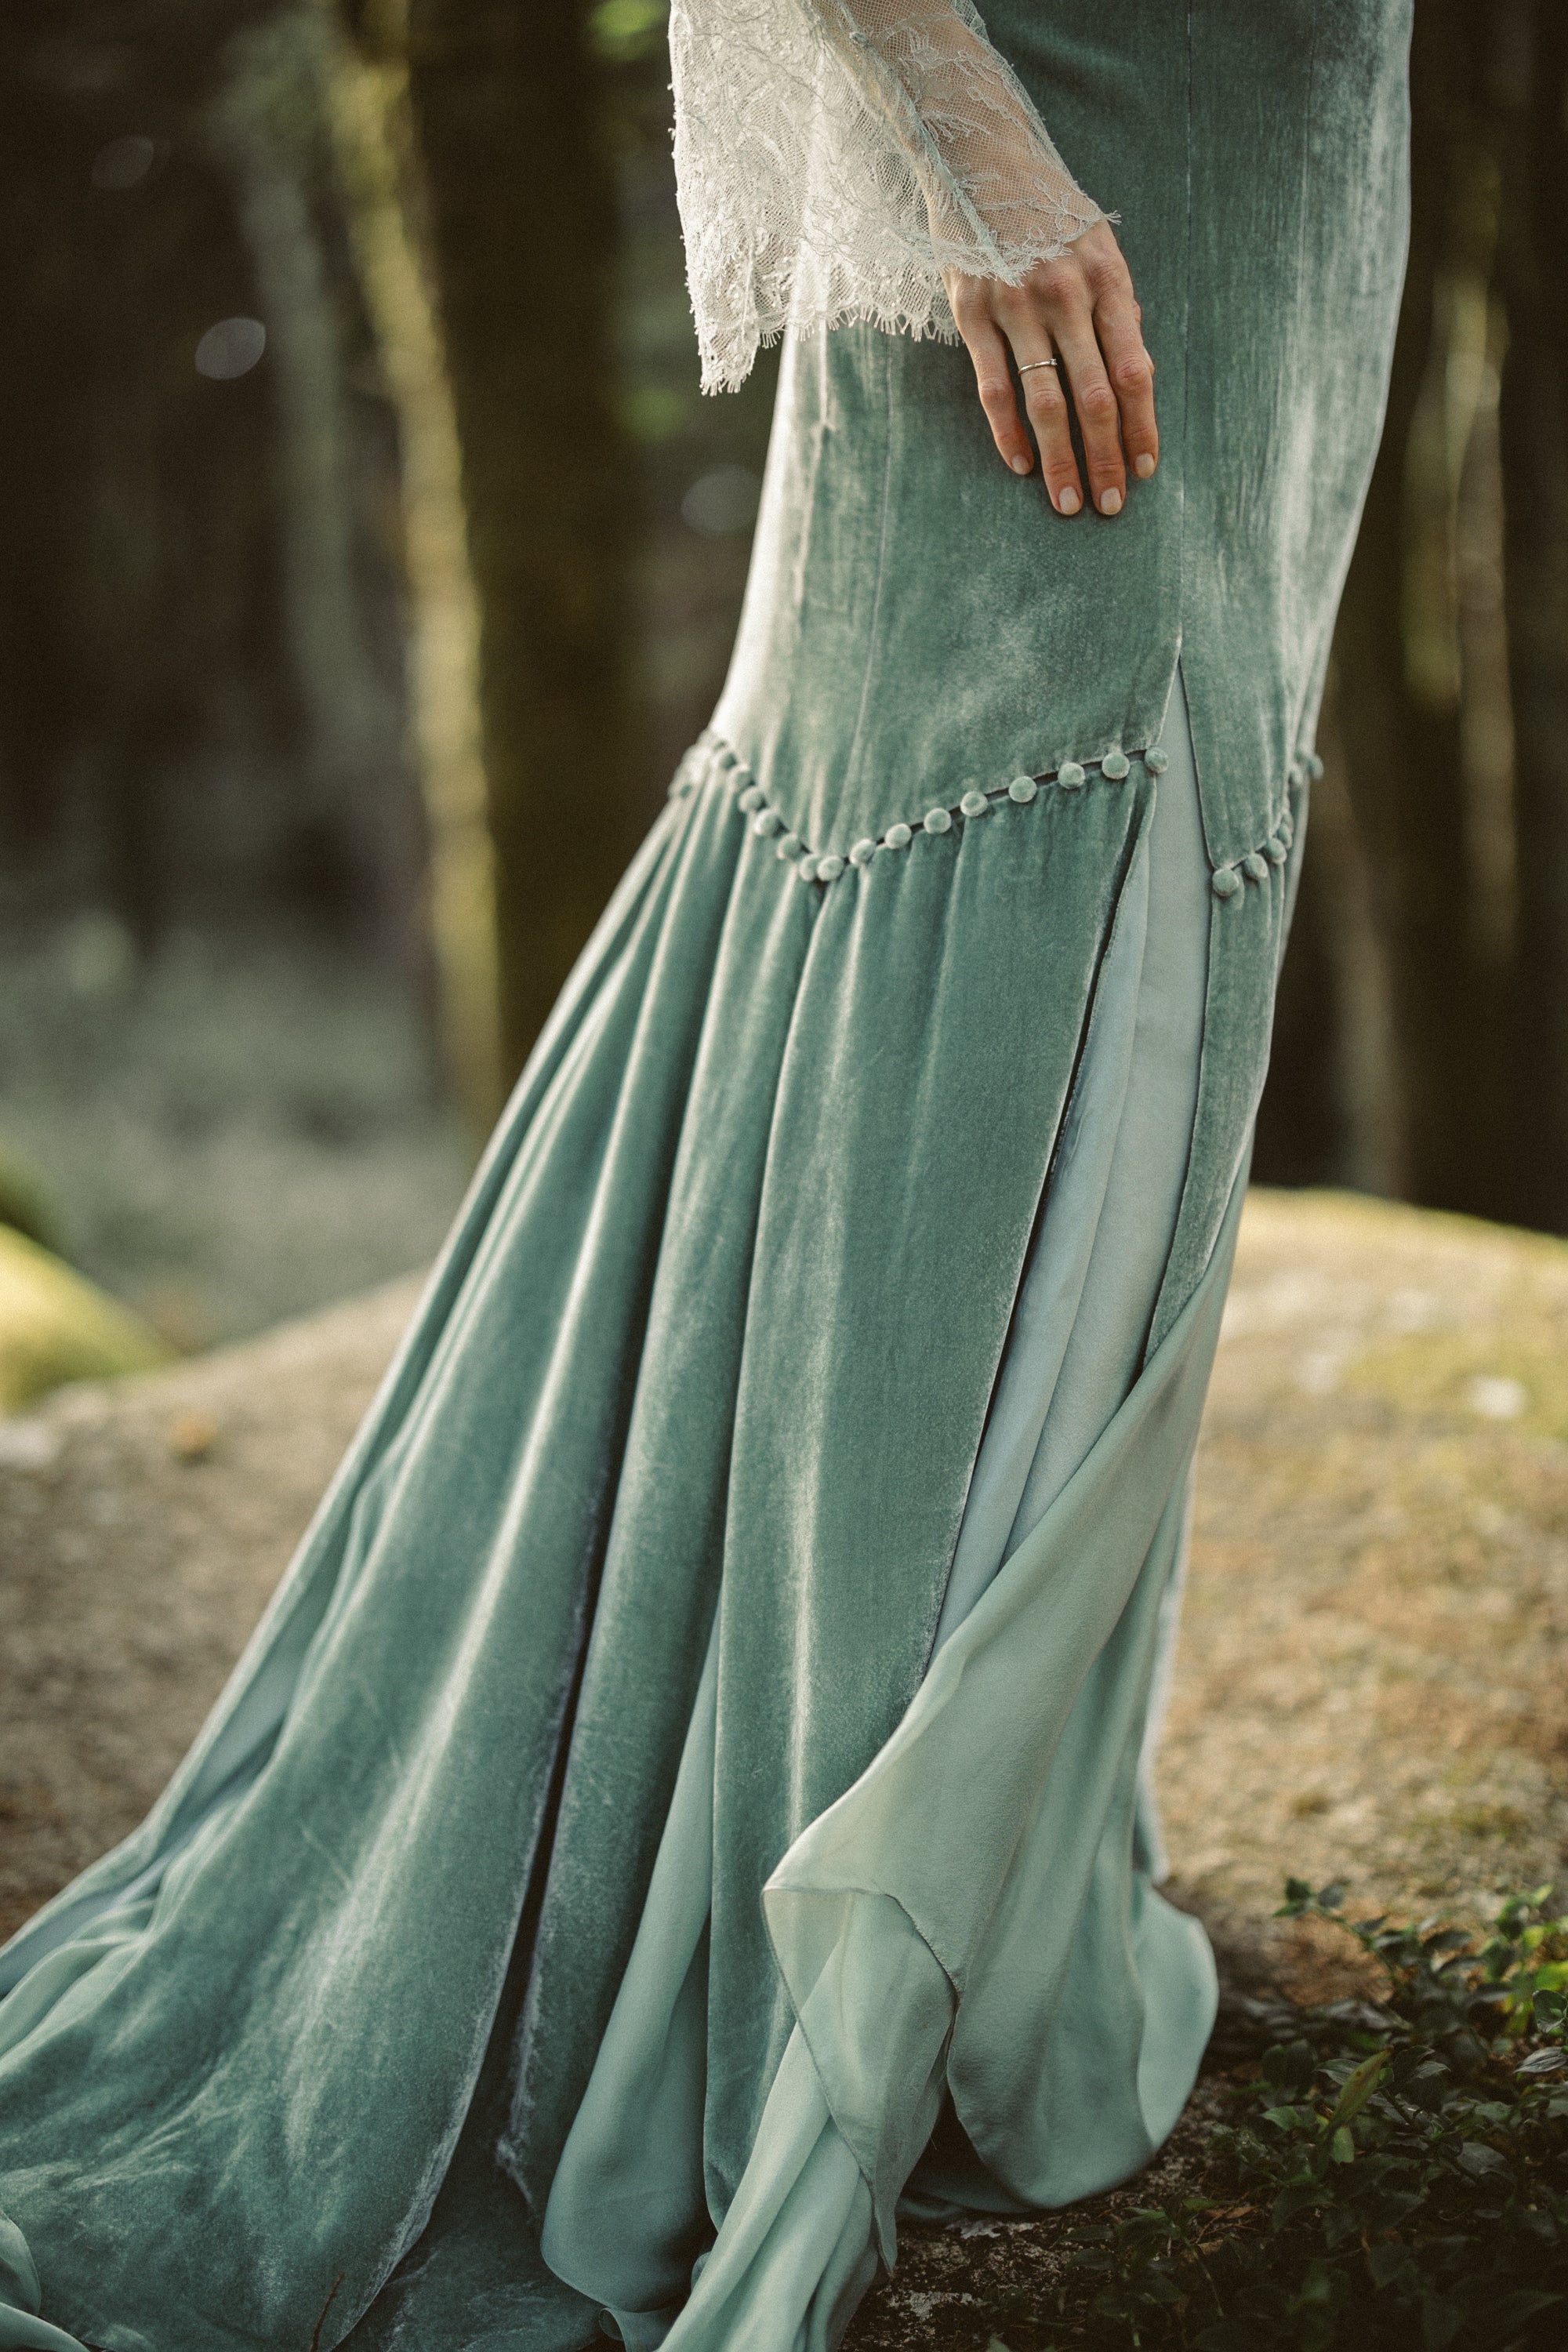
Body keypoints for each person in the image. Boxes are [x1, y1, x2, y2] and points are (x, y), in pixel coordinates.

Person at [0, 4, 1412, 2348]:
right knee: (1004, 851)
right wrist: (978, 158)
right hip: (1067, 138)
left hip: (1290, 165)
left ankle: (986, 1868)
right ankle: (777, 1902)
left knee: (1173, 887)